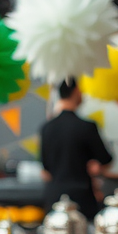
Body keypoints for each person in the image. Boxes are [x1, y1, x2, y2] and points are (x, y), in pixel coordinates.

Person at [40, 79, 113, 221]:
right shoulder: (87, 127)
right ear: (76, 91)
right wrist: (96, 168)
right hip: (82, 198)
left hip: (54, 198)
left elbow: (45, 171)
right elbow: (106, 160)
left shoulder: (46, 128)